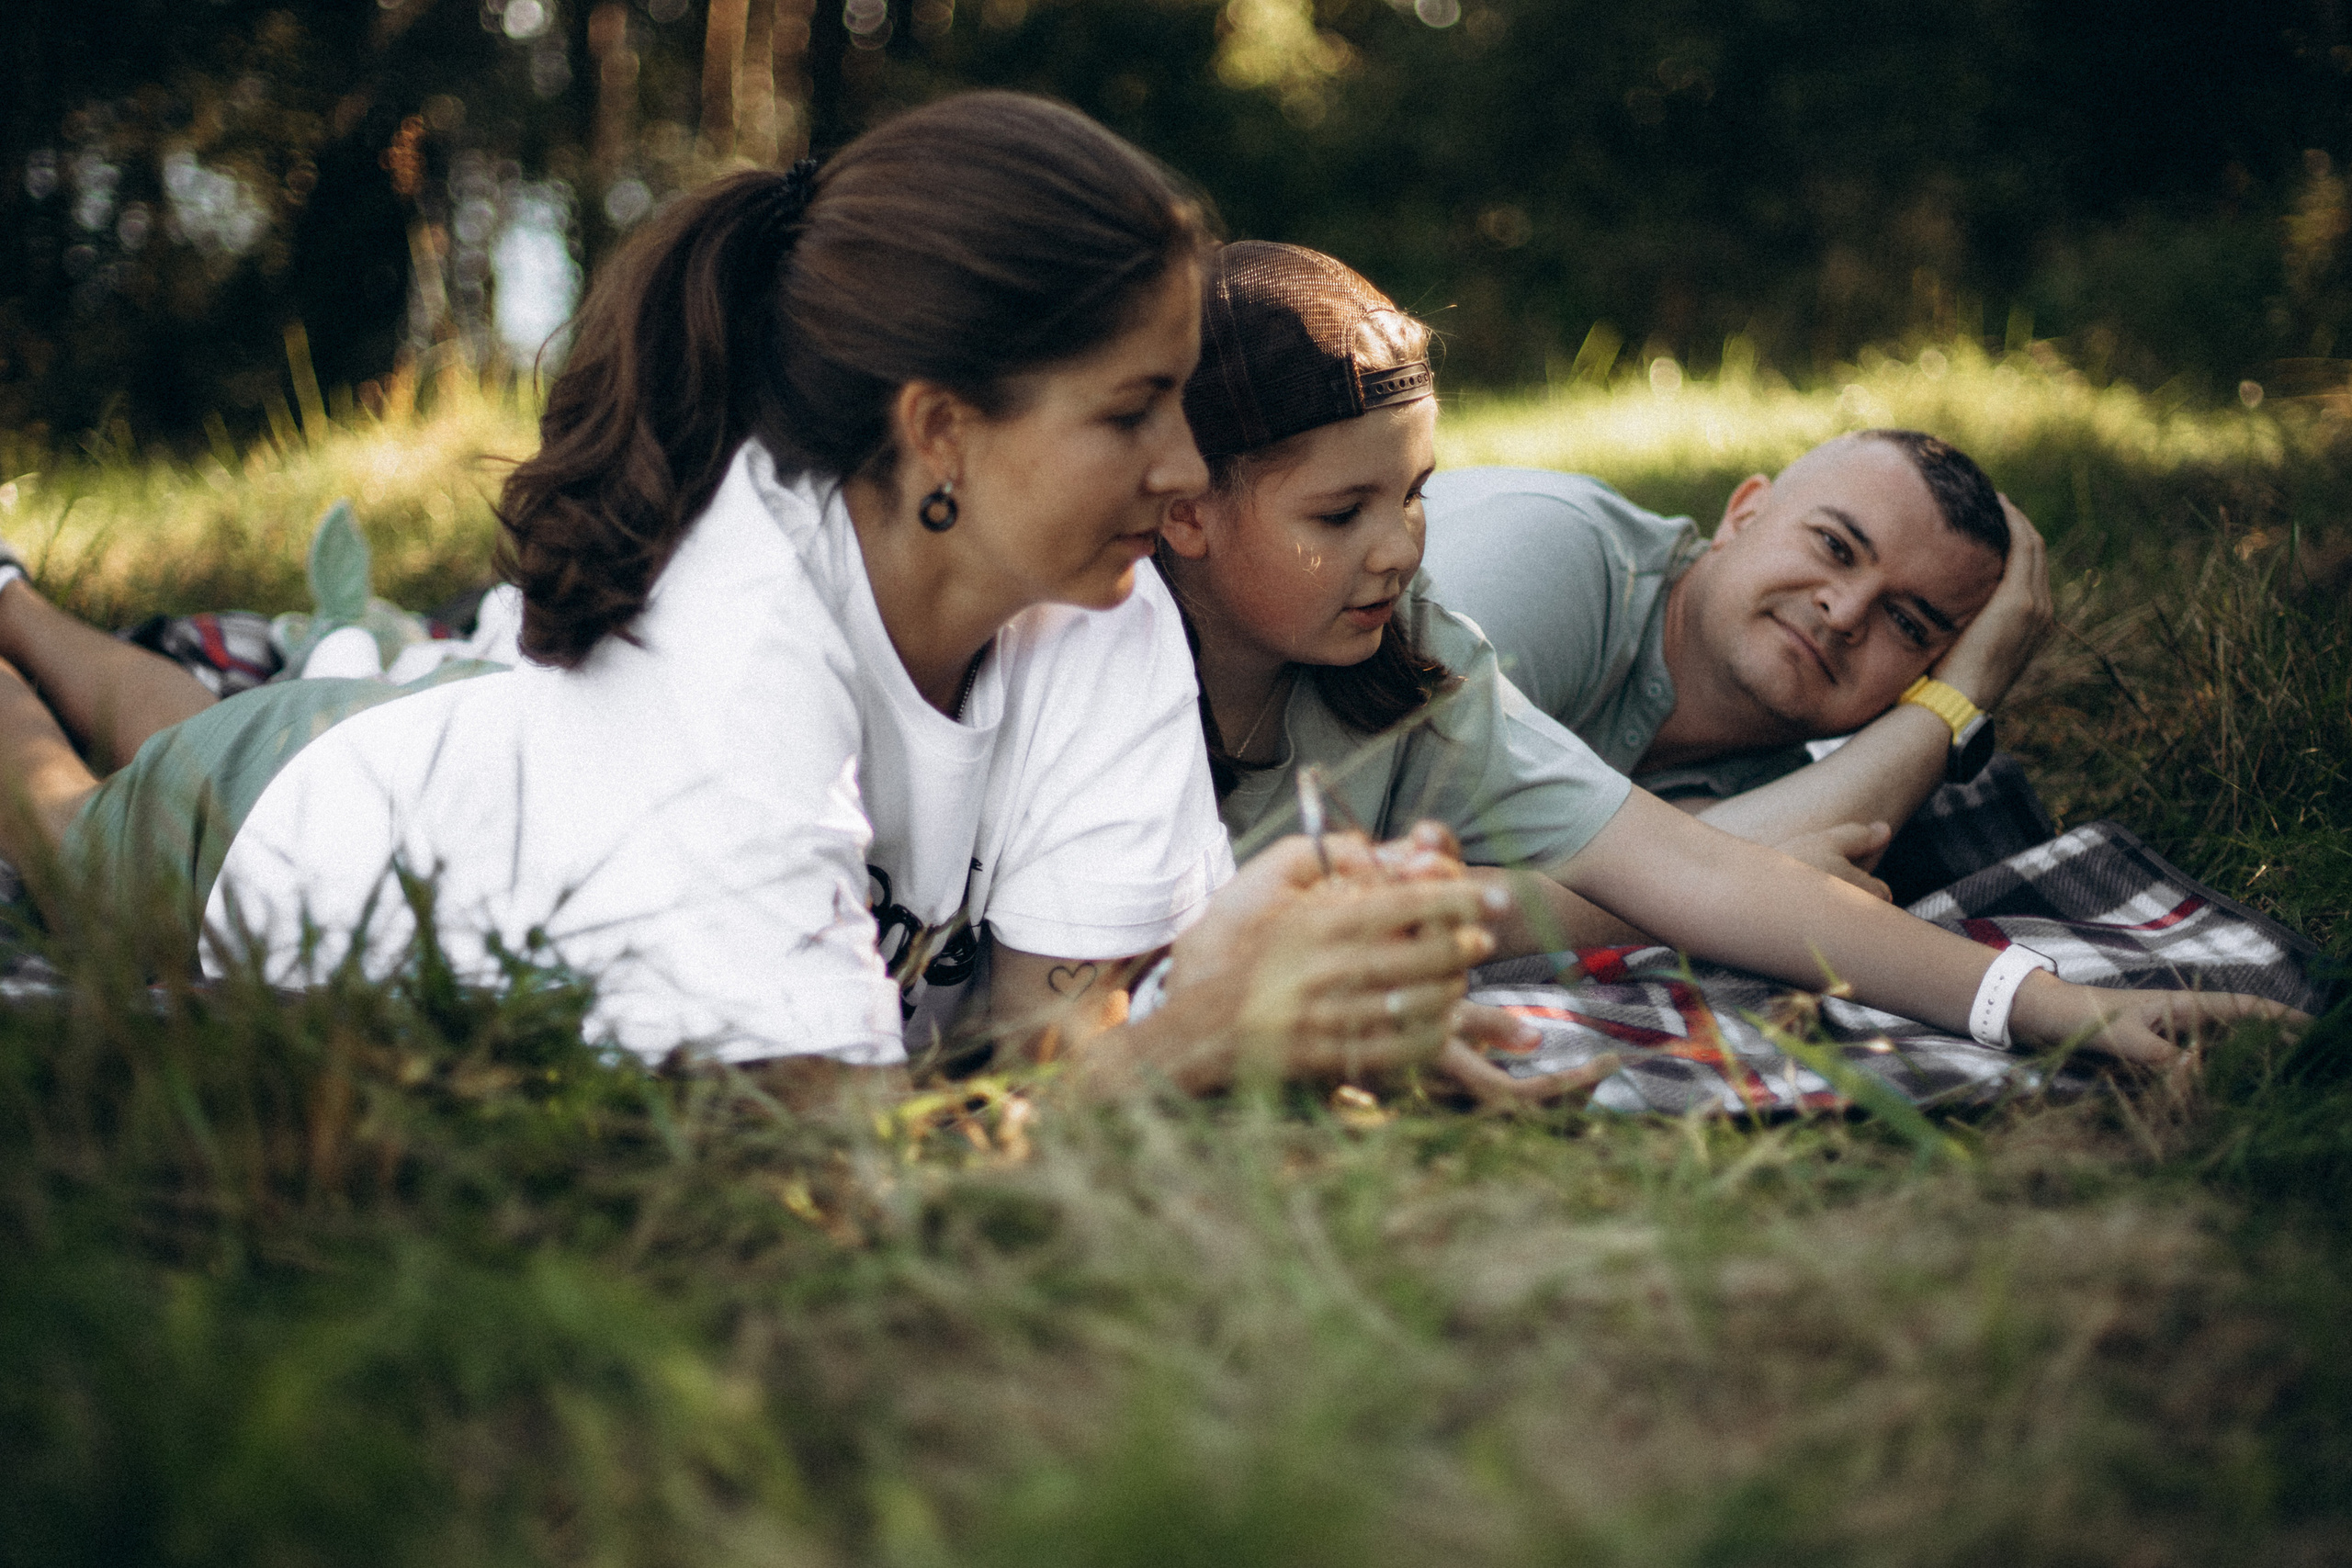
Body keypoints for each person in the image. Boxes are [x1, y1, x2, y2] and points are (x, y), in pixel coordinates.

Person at [0, 95, 1507, 1100]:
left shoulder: (1092, 603)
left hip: (452, 744)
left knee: (227, 709)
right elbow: (830, 1175)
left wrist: (1311, 992)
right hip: (293, 832)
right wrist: (1206, 1036)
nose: (1184, 472)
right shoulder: (732, 649)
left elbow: (1050, 1050)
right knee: (80, 819)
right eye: (1130, 414)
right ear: (942, 430)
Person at [1152, 240, 2299, 1069]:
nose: (1403, 548)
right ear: (1184, 507)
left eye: (1415, 496)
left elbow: (1710, 877)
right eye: (1342, 512)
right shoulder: (1125, 671)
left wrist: (2047, 1004)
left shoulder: (1411, 658)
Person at [1417, 433, 2054, 883]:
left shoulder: (1777, 778)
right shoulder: (1551, 565)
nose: (1845, 612)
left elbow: (1690, 883)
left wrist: (1957, 702)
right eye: (1835, 546)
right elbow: (1384, 906)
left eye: (1907, 623)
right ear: (1743, 514)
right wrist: (1723, 893)